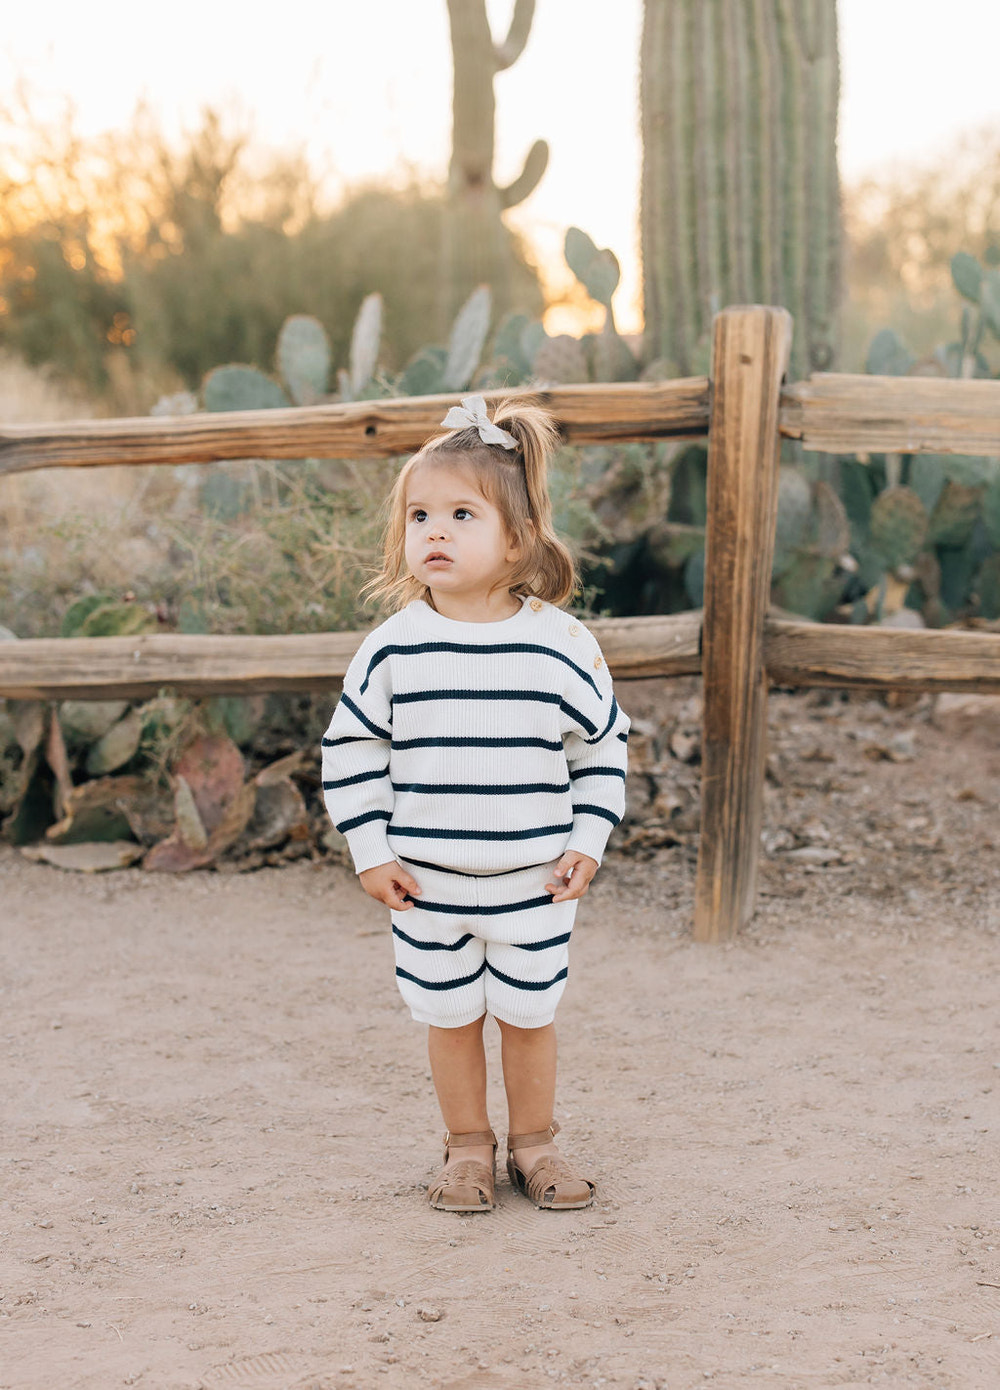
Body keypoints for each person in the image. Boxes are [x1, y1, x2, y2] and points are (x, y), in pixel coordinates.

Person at [322, 394, 629, 1212]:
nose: (435, 531)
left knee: (529, 1017)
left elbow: (602, 746)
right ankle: (466, 1148)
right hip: (426, 884)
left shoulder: (559, 643)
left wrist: (590, 840)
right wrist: (371, 850)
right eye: (420, 514)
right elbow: (352, 749)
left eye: (462, 513)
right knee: (449, 1017)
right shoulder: (391, 647)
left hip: (536, 880)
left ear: (518, 539)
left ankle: (536, 1144)